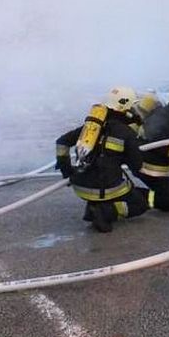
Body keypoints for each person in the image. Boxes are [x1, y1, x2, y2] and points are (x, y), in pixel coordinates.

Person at [55, 86, 150, 233]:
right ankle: (106, 211)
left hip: (81, 185)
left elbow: (62, 141)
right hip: (106, 188)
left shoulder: (91, 127)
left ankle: (95, 206)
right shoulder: (126, 132)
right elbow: (137, 166)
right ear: (126, 108)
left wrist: (65, 168)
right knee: (141, 203)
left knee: (109, 179)